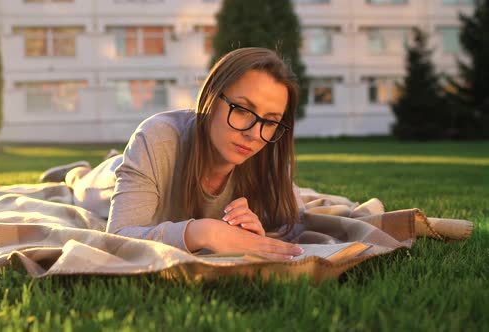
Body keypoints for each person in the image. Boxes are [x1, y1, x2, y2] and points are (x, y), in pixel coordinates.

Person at [40, 47, 305, 260]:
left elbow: (295, 216)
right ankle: (77, 172)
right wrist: (202, 231)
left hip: (143, 164)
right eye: (242, 109)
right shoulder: (158, 137)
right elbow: (119, 235)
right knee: (86, 187)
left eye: (270, 121)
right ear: (211, 99)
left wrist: (254, 232)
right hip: (115, 179)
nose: (253, 133)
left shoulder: (267, 156)